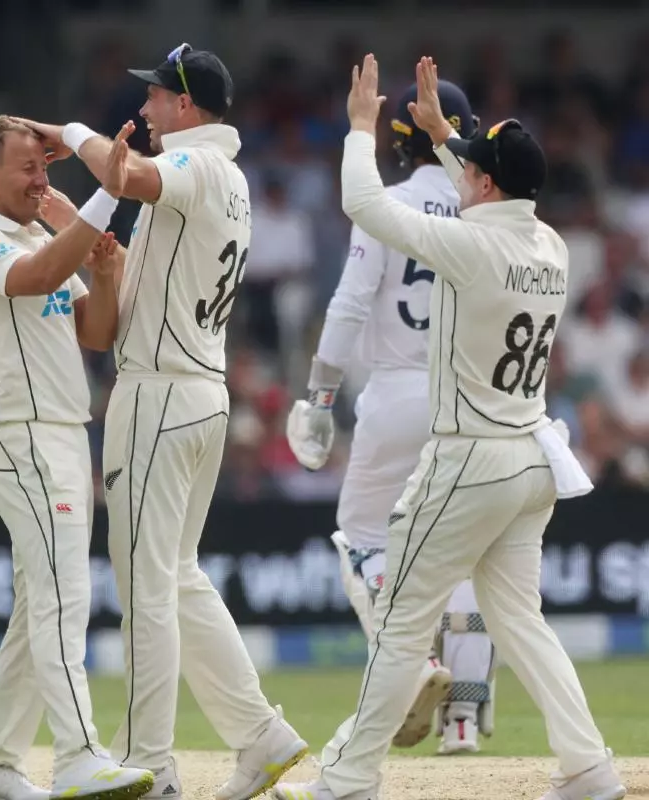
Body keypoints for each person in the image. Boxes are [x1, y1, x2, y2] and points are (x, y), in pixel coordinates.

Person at [272, 55, 626, 800]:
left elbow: (368, 209)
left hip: (470, 460)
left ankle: (346, 778)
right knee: (521, 624)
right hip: (533, 457)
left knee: (401, 621)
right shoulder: (550, 246)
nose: (461, 176)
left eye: (470, 169)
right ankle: (591, 769)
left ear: (486, 185)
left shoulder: (469, 247)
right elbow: (476, 191)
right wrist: (442, 136)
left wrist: (362, 131)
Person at [17, 43, 306, 800]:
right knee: (175, 579)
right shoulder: (222, 177)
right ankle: (260, 734)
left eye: (153, 98)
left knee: (148, 587)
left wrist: (71, 128)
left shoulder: (198, 165)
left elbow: (126, 175)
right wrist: (57, 211)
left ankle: (152, 760)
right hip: (196, 392)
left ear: (185, 105)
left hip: (160, 396)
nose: (142, 110)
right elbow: (119, 257)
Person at [285, 78, 500, 755]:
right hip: (472, 401)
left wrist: (319, 398)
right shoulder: (490, 210)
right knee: (468, 557)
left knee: (362, 538)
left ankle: (412, 668)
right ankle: (463, 722)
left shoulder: (386, 205)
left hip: (396, 394)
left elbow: (350, 304)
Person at [0, 114, 153, 800]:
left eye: (45, 167)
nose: (41, 180)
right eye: (27, 169)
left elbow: (95, 334)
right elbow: (36, 279)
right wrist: (104, 197)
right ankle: (77, 755)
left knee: (38, 603)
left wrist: (109, 268)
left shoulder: (38, 234)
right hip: (22, 434)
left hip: (63, 431)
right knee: (65, 595)